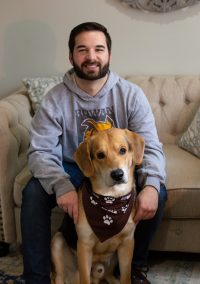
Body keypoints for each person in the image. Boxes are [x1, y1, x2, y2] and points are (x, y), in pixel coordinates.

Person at [21, 22, 167, 284]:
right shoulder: (55, 99)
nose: (91, 57)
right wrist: (61, 185)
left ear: (109, 55)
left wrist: (153, 186)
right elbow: (40, 151)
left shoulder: (131, 95)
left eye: (99, 49)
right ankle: (37, 277)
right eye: (82, 50)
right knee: (33, 192)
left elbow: (152, 146)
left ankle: (134, 267)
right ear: (71, 57)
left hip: (117, 165)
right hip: (72, 167)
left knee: (159, 192)